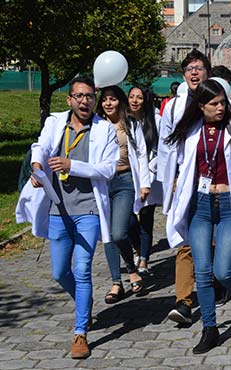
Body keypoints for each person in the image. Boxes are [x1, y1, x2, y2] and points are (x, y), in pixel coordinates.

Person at [16, 76, 119, 359]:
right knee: (60, 272)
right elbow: (41, 146)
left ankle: (80, 332)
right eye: (79, 96)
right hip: (58, 209)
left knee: (83, 269)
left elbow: (107, 170)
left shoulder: (104, 129)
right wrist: (37, 166)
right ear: (69, 99)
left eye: (89, 96)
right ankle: (84, 302)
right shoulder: (55, 122)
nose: (85, 101)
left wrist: (71, 164)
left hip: (88, 209)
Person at [165, 79, 231, 353]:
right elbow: (176, 167)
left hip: (230, 205)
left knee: (224, 269)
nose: (220, 108)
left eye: (222, 103)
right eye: (214, 104)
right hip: (201, 207)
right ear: (201, 106)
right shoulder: (190, 131)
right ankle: (210, 328)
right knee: (203, 272)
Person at [158, 50, 210, 324]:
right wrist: (170, 182)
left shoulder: (218, 101)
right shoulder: (173, 107)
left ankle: (216, 278)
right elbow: (166, 149)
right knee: (185, 240)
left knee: (212, 238)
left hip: (215, 181)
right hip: (185, 181)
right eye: (189, 68)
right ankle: (184, 301)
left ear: (207, 73)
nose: (193, 72)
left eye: (199, 67)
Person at [96, 86, 150, 303]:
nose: (108, 103)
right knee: (107, 234)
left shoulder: (131, 123)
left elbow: (142, 153)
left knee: (119, 232)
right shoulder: (96, 125)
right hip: (101, 183)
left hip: (125, 180)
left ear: (120, 101)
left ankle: (132, 266)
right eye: (105, 100)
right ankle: (118, 281)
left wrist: (144, 183)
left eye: (113, 99)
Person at [128, 86, 162, 275]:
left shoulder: (155, 120)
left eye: (139, 97)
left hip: (149, 176)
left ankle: (144, 259)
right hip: (129, 177)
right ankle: (138, 247)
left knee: (146, 217)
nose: (134, 101)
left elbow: (160, 149)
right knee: (129, 218)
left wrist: (150, 172)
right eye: (131, 97)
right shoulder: (124, 121)